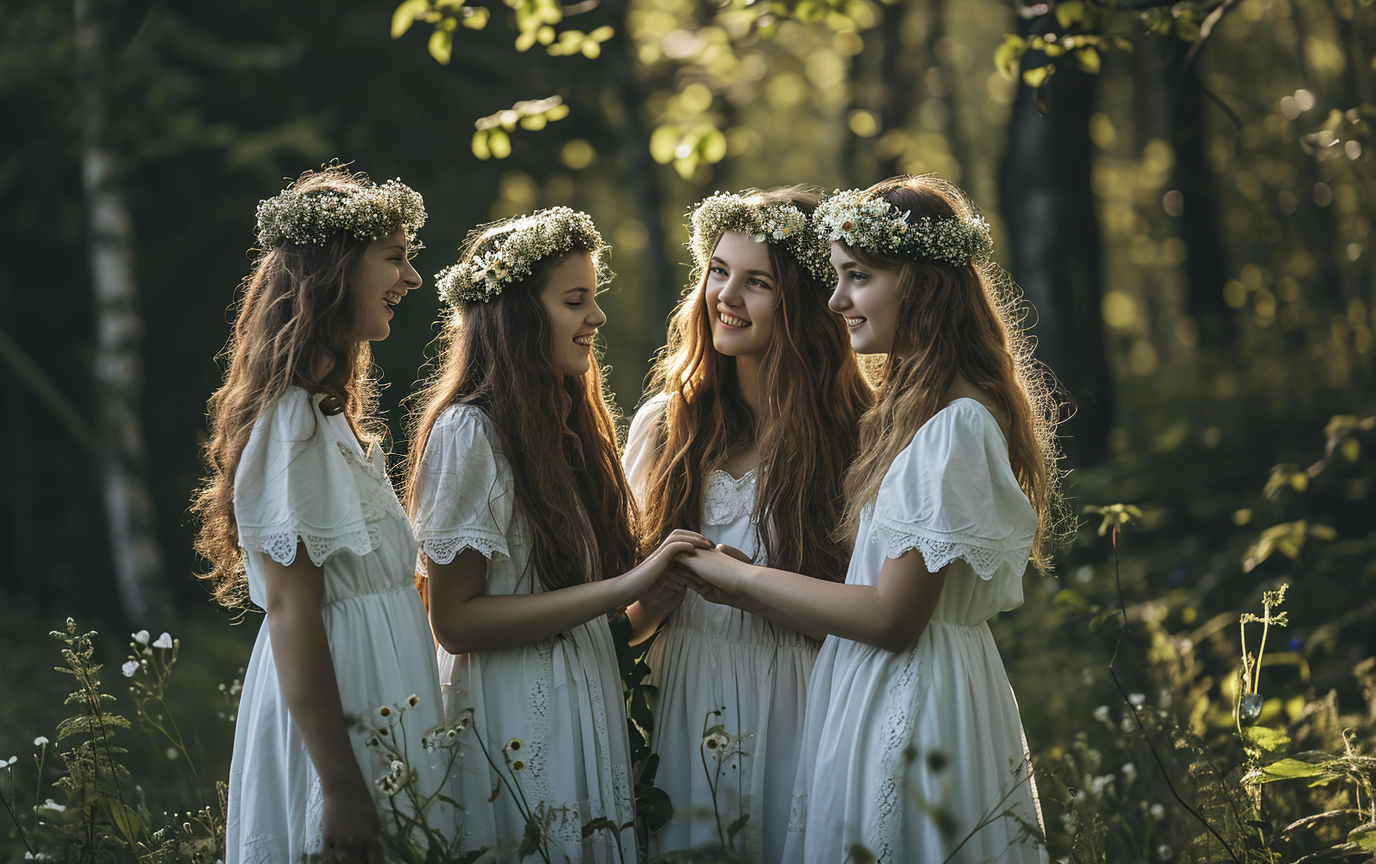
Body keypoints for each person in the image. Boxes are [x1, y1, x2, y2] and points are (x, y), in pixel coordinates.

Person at [676, 175, 1062, 863]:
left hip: (918, 699)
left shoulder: (956, 425)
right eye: (836, 276)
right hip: (884, 688)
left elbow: (892, 617)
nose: (836, 300)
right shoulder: (917, 414)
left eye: (857, 277)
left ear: (917, 283)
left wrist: (741, 580)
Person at [405, 206, 710, 863]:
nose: (595, 318)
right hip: (509, 714)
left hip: (583, 706)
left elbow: (581, 621)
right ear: (516, 315)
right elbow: (454, 621)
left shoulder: (567, 432)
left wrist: (645, 605)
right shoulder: (469, 432)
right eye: (576, 301)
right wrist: (622, 585)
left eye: (593, 299)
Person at [191, 166, 453, 864]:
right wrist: (338, 786)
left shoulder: (328, 419)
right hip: (336, 733)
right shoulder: (291, 426)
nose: (412, 278)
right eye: (395, 258)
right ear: (334, 272)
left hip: (382, 705)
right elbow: (291, 612)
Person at [621, 189, 871, 862]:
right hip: (686, 700)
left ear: (806, 301)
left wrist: (752, 586)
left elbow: (879, 623)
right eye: (718, 270)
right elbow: (627, 619)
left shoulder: (861, 436)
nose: (725, 295)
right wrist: (659, 593)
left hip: (808, 702)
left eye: (756, 281)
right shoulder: (667, 428)